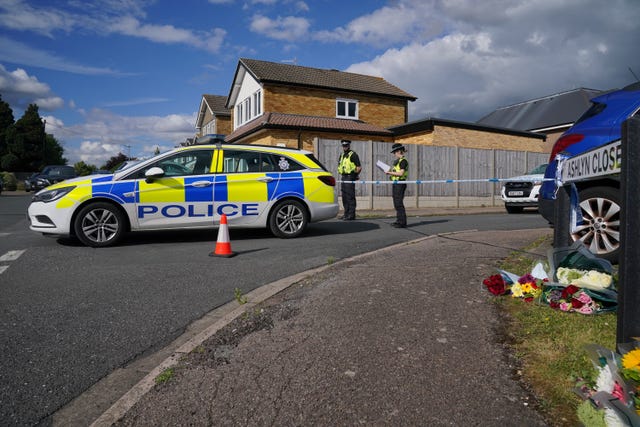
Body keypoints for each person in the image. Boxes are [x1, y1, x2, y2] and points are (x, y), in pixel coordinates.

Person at [337, 139, 362, 220]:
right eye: (343, 146)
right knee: (344, 197)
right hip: (343, 177)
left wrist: (355, 176)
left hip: (350, 177)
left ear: (349, 145)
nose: (345, 147)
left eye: (346, 145)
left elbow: (359, 167)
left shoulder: (353, 154)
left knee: (350, 197)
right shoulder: (342, 155)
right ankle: (346, 214)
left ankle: (351, 215)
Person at [385, 143, 408, 228]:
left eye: (395, 152)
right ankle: (399, 220)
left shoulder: (403, 161)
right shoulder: (398, 161)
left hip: (400, 184)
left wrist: (389, 172)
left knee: (399, 203)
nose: (394, 154)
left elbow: (401, 173)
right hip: (396, 184)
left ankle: (402, 222)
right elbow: (396, 172)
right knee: (396, 203)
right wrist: (389, 171)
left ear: (399, 151)